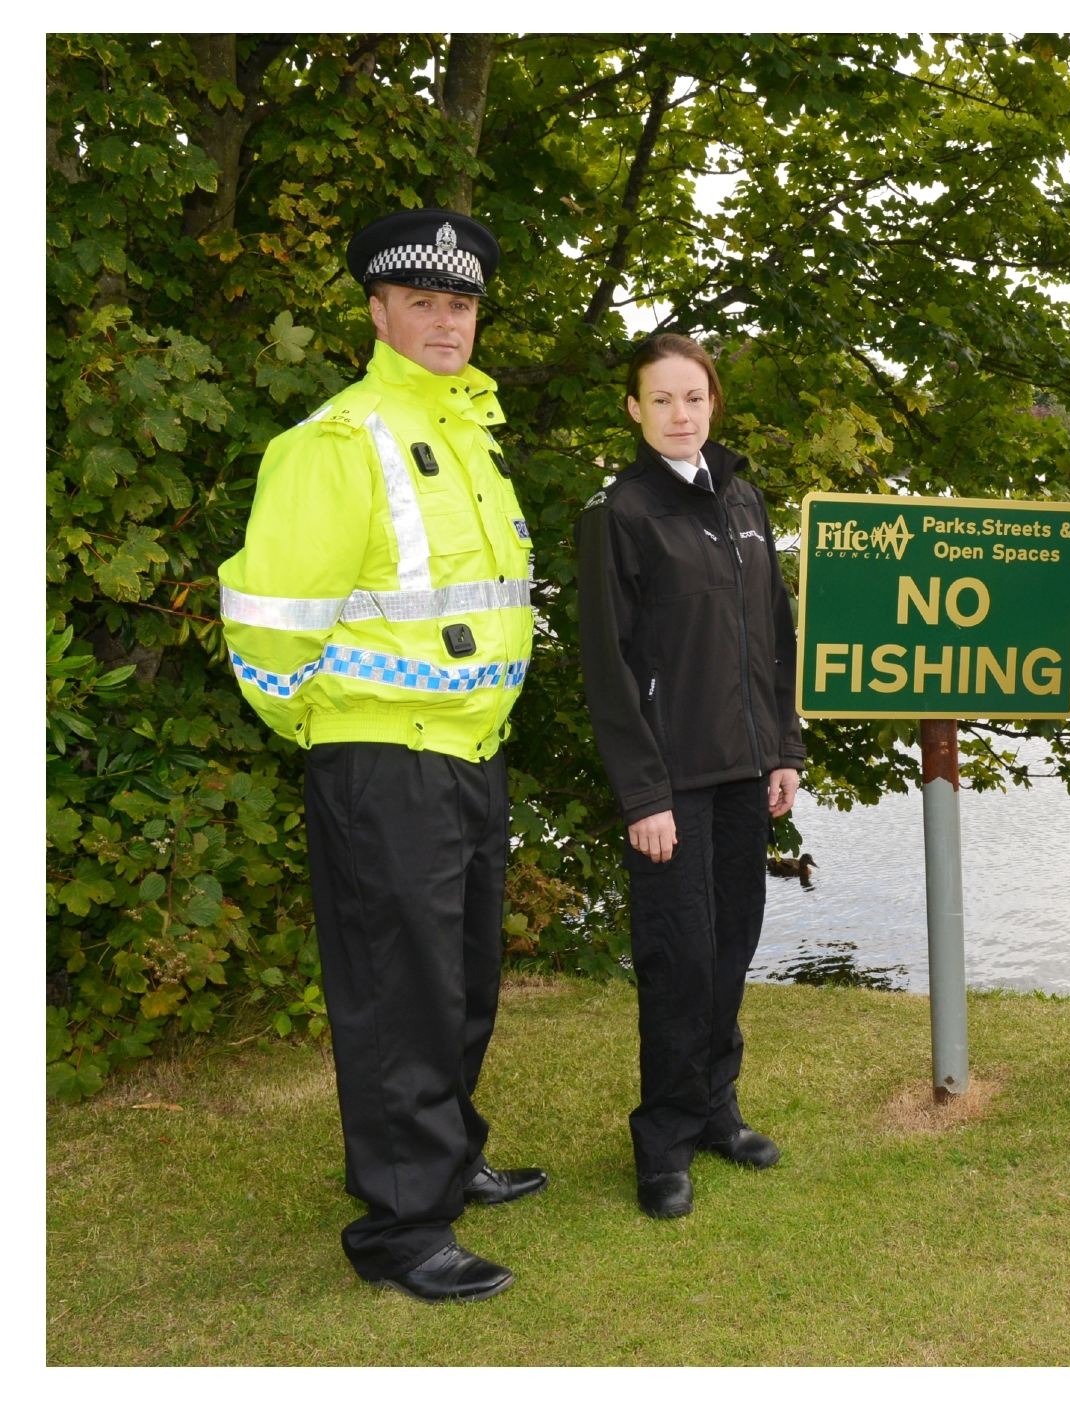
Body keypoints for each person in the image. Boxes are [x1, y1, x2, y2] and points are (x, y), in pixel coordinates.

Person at [218, 208, 547, 1303]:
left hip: (468, 757)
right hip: (380, 764)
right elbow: (269, 632)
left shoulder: (468, 435)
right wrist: (327, 730)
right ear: (377, 310)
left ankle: (449, 1157)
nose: (445, 320)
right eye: (422, 301)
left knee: (460, 985)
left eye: (460, 304)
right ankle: (403, 1229)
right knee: (397, 993)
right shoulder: (336, 441)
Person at [575, 334, 808, 1219]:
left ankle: (717, 1108)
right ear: (635, 410)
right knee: (676, 959)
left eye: (695, 397)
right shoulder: (620, 512)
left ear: (714, 402)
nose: (681, 414)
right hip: (670, 783)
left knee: (730, 943)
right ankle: (664, 1137)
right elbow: (608, 666)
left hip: (746, 770)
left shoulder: (742, 497)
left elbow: (774, 635)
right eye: (662, 400)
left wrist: (783, 750)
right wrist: (643, 794)